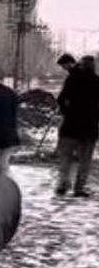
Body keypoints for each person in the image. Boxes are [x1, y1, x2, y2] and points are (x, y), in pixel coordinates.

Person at [55, 55, 99, 196]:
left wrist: (66, 111)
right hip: (89, 128)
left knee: (65, 158)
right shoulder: (97, 81)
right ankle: (79, 188)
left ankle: (63, 184)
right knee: (85, 160)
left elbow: (61, 99)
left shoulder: (72, 79)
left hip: (70, 126)